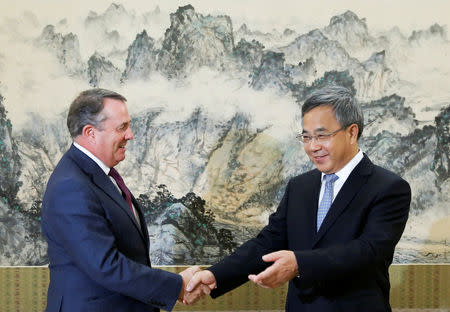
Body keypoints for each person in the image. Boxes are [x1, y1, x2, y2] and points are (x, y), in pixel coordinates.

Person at [186, 85, 411, 311]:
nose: (313, 147)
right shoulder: (300, 187)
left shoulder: (388, 187)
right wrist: (216, 275)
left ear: (352, 132)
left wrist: (299, 264)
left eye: (322, 136)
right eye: (306, 137)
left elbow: (368, 252)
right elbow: (268, 242)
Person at [41, 88, 210, 312]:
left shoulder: (96, 175)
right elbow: (106, 265)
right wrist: (176, 286)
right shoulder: (71, 186)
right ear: (90, 132)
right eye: (122, 127)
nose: (130, 135)